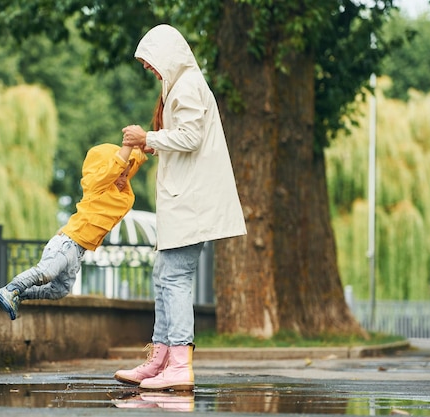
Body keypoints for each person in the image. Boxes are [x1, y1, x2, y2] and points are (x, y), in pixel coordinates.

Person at [114, 24, 247, 391]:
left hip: (192, 202)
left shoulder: (187, 85)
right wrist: (152, 145)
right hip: (186, 200)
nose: (146, 68)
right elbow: (187, 138)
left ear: (167, 55)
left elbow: (190, 136)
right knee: (165, 276)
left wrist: (148, 137)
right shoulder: (181, 85)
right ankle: (160, 359)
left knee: (173, 278)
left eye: (149, 60)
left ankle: (178, 361)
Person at [0, 143, 147, 320]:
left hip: (78, 251)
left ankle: (19, 296)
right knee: (46, 272)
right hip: (68, 242)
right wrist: (127, 145)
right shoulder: (97, 186)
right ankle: (11, 288)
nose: (123, 179)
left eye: (126, 175)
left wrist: (144, 148)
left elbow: (128, 164)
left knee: (60, 290)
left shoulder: (117, 196)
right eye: (120, 174)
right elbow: (115, 166)